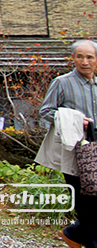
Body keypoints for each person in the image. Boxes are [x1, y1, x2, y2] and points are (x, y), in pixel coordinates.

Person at [36, 39, 97, 248]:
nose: (84, 61)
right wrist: (74, 120)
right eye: (79, 56)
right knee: (85, 204)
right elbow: (45, 111)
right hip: (75, 151)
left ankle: (72, 233)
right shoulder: (62, 82)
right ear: (73, 58)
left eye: (89, 57)